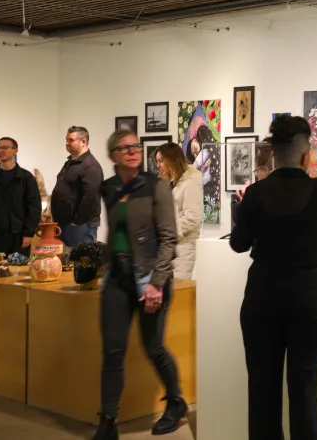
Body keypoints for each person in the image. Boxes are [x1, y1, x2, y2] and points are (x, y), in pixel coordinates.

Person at [229, 115, 317, 440]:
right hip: (310, 298)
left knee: (262, 390)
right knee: (304, 390)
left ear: (272, 152)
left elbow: (238, 244)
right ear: (306, 155)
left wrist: (245, 210)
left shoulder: (256, 194)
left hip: (264, 296)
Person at [93, 130, 186, 440]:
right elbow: (115, 231)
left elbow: (168, 237)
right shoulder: (108, 188)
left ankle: (176, 401)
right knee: (113, 351)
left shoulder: (155, 186)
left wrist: (157, 282)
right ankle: (108, 422)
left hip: (150, 277)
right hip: (117, 278)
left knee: (153, 346)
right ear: (113, 155)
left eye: (135, 146)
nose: (132, 151)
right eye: (124, 147)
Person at [155, 143, 202, 280]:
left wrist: (167, 231)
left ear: (172, 160)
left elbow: (192, 217)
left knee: (179, 293)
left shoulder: (191, 181)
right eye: (157, 161)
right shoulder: (170, 180)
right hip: (170, 249)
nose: (158, 165)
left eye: (161, 161)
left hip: (183, 250)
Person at [52, 126, 104, 249]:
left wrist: (77, 221)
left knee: (82, 264)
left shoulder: (90, 166)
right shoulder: (70, 163)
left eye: (71, 140)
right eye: (66, 140)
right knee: (65, 265)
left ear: (83, 142)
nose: (67, 143)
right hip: (64, 223)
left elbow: (90, 197)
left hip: (81, 226)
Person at [0, 138, 41, 257]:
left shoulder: (26, 178)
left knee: (18, 272)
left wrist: (29, 233)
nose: (1, 151)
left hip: (20, 236)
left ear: (15, 150)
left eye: (5, 147)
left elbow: (34, 207)